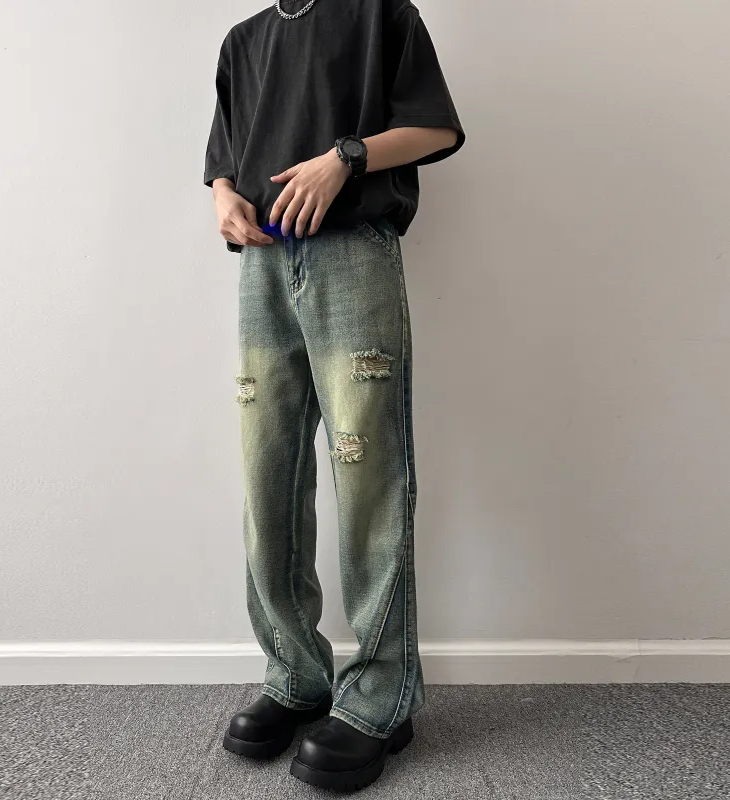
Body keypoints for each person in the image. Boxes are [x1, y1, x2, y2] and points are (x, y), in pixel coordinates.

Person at [204, 0, 464, 790]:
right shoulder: (243, 41)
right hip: (261, 266)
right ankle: (296, 676)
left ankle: (383, 695)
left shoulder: (381, 13)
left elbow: (436, 128)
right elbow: (225, 159)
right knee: (268, 477)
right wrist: (223, 197)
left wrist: (346, 157)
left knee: (368, 476)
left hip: (353, 254)